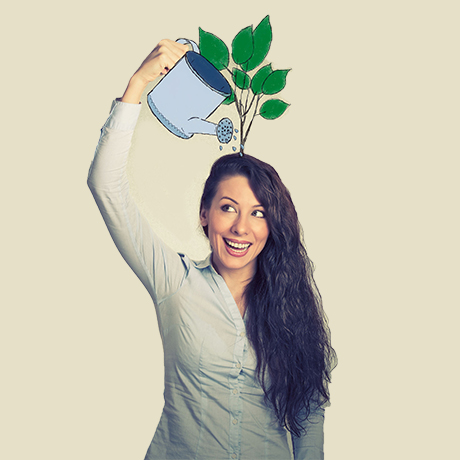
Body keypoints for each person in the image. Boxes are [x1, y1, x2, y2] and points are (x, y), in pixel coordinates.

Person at [88, 39, 336, 460]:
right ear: (204, 214)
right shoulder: (175, 283)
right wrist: (136, 86)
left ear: (273, 223)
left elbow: (309, 419)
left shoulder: (294, 307)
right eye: (228, 208)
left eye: (259, 213)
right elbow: (106, 186)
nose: (242, 227)